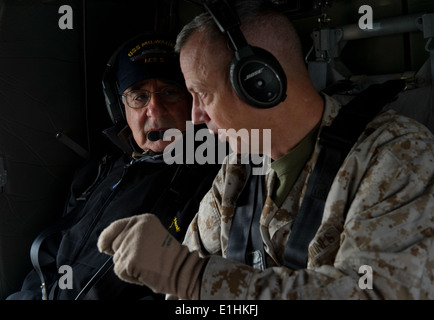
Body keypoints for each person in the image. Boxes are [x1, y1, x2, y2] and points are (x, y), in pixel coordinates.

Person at [96, 0, 434, 299]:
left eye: (202, 94)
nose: (196, 115)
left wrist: (192, 278)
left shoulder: (398, 158)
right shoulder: (237, 171)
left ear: (260, 83)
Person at [7, 31, 223, 300]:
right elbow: (50, 255)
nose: (154, 109)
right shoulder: (98, 172)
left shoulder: (215, 180)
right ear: (120, 108)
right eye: (139, 96)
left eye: (170, 92)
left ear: (193, 102)